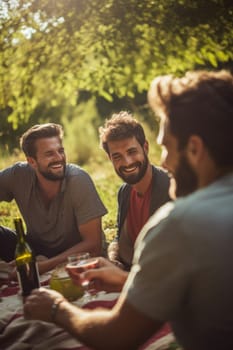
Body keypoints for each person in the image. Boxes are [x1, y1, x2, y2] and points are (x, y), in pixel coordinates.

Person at [24, 70, 233, 350]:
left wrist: (56, 309)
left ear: (194, 149)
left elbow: (116, 337)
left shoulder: (179, 223)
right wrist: (126, 279)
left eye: (167, 148)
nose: (165, 162)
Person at [0, 123, 107, 275]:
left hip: (75, 259)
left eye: (61, 151)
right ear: (32, 162)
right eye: (49, 154)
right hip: (36, 250)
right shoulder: (18, 175)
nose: (59, 158)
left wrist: (43, 266)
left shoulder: (78, 180)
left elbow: (93, 245)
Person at [99, 111, 171, 270]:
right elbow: (119, 240)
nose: (127, 162)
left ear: (145, 147)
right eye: (117, 156)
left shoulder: (171, 187)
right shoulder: (124, 192)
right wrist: (113, 258)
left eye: (132, 152)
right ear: (110, 159)